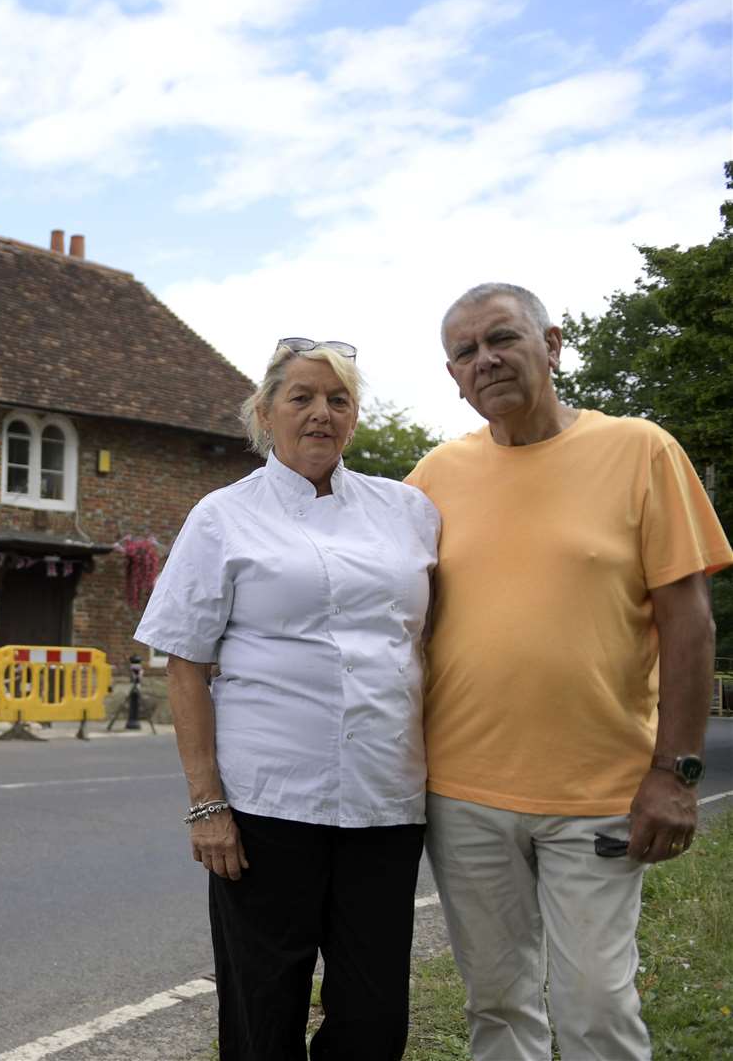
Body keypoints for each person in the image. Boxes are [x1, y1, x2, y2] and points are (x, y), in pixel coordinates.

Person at [409, 282, 730, 1060]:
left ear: (550, 345)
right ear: (451, 375)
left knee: (594, 1008)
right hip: (462, 795)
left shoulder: (638, 449)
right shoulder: (429, 480)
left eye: (502, 339)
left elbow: (688, 624)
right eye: (464, 352)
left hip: (600, 794)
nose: (484, 360)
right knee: (496, 1007)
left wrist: (675, 774)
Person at [136, 337, 440, 1060]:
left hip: (384, 801)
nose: (319, 414)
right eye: (300, 397)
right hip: (267, 806)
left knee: (372, 1020)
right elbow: (185, 665)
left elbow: (430, 641)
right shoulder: (221, 516)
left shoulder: (407, 512)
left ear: (354, 417)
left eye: (337, 400)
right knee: (261, 1011)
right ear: (264, 412)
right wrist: (206, 804)